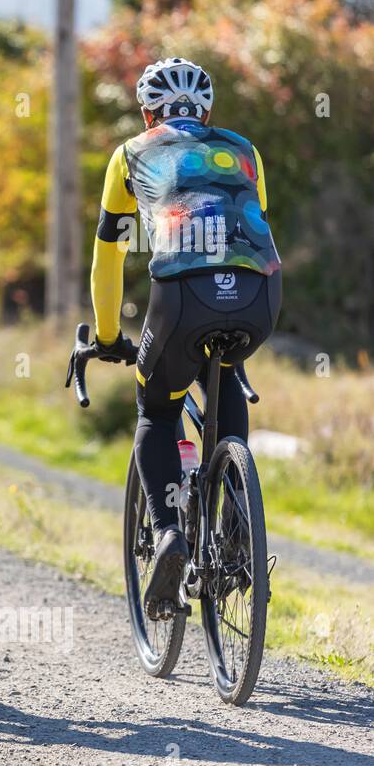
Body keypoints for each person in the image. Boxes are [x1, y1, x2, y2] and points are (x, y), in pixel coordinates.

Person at [90, 57, 282, 620]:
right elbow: (252, 223)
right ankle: (237, 528)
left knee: (156, 409)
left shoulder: (130, 154)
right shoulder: (244, 149)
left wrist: (106, 335)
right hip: (259, 294)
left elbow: (110, 255)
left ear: (148, 112)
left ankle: (171, 532)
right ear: (207, 111)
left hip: (180, 299)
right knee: (226, 379)